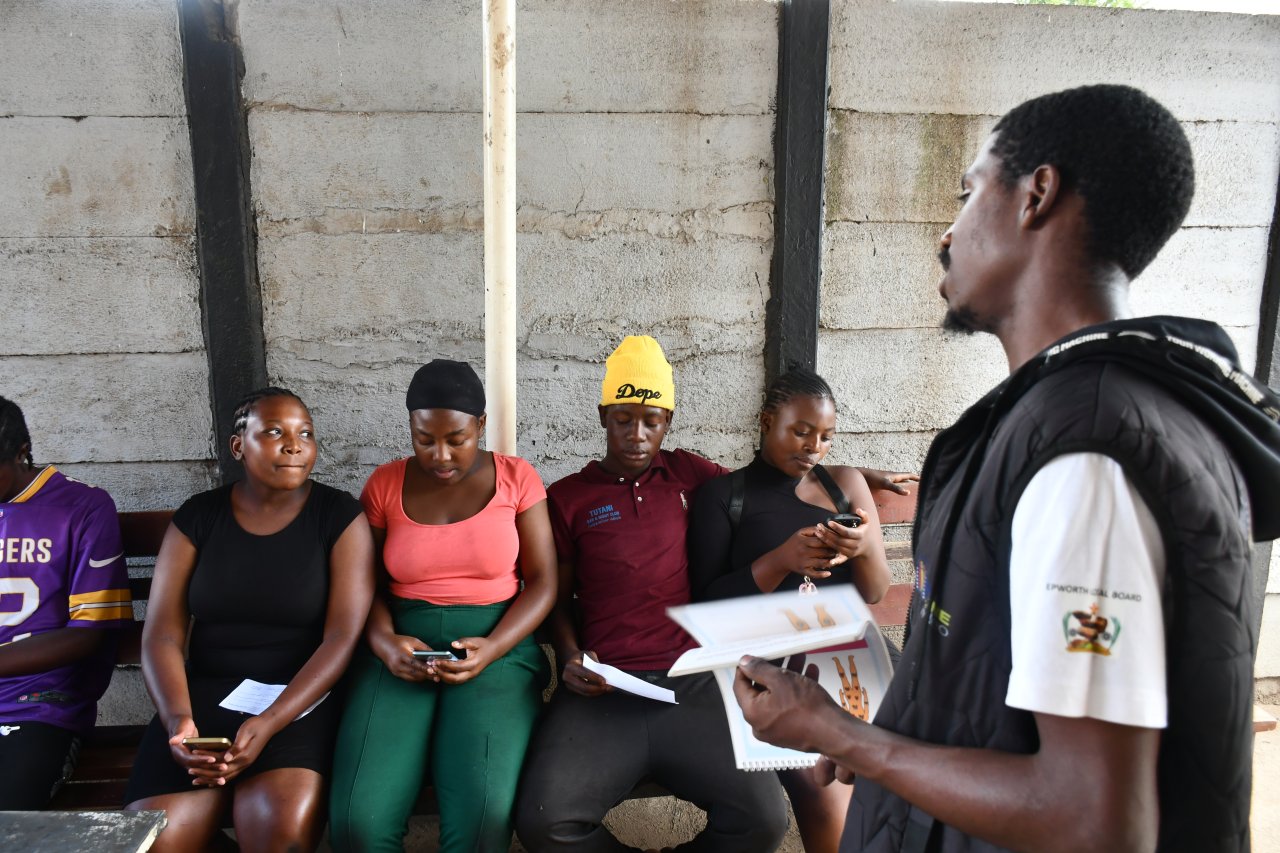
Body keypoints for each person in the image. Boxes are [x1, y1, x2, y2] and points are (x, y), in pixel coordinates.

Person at [732, 84, 1280, 853]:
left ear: (1037, 196)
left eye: (968, 193)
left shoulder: (1086, 457)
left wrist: (845, 737)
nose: (946, 234)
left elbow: (1094, 821)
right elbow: (997, 693)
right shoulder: (1060, 421)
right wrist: (889, 731)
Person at [515, 335, 791, 853]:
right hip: (606, 690)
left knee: (763, 820)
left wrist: (849, 478)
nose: (638, 434)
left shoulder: (693, 476)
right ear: (602, 416)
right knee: (544, 823)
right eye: (624, 418)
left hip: (692, 683)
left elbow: (770, 489)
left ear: (668, 421)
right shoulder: (570, 498)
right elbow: (556, 596)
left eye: (653, 419)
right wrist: (573, 657)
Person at [124, 388, 375, 853]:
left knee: (276, 837)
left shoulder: (337, 515)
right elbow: (161, 633)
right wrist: (179, 722)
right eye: (275, 432)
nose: (294, 445)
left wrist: (271, 721)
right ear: (239, 446)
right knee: (153, 844)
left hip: (298, 703)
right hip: (201, 704)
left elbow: (342, 636)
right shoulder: (199, 517)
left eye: (305, 434)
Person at [329, 359, 557, 853]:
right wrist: (385, 643)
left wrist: (494, 647)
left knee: (482, 817)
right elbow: (361, 585)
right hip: (400, 650)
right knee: (357, 820)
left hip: (496, 648)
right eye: (424, 438)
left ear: (480, 425)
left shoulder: (517, 478)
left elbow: (543, 583)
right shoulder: (385, 484)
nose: (441, 455)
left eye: (456, 438)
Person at [688, 367, 892, 853]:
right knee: (824, 785)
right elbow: (706, 606)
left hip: (852, 659)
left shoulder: (845, 486)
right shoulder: (725, 497)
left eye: (825, 436)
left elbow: (877, 591)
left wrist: (863, 548)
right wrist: (779, 561)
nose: (813, 447)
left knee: (918, 759)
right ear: (766, 422)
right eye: (801, 432)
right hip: (776, 666)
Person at [0, 395, 132, 809]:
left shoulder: (82, 507)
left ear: (22, 454)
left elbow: (87, 636)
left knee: (10, 819)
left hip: (37, 703)